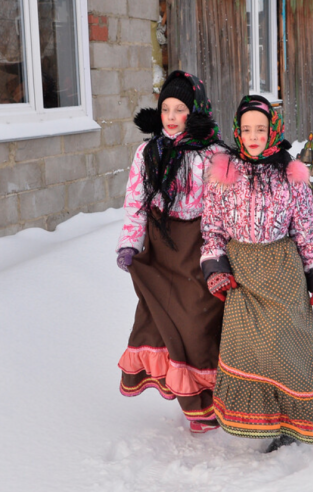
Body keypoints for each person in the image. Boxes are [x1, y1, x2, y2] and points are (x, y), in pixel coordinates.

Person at [200, 95, 313, 453]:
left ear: (273, 130)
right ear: (237, 132)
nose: (254, 136)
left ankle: (294, 423)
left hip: (283, 272)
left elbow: (307, 232)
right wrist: (216, 268)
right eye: (246, 129)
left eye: (261, 128)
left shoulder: (291, 175)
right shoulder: (222, 173)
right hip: (242, 275)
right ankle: (265, 419)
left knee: (289, 348)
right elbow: (211, 229)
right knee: (250, 350)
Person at [115, 71, 226, 434]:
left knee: (196, 323)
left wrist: (219, 252)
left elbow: (222, 207)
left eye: (180, 109)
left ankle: (211, 399)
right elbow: (135, 203)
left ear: (195, 111)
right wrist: (130, 242)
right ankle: (194, 406)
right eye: (166, 109)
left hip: (198, 245)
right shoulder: (148, 151)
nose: (172, 116)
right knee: (163, 322)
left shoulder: (213, 154)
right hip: (160, 246)